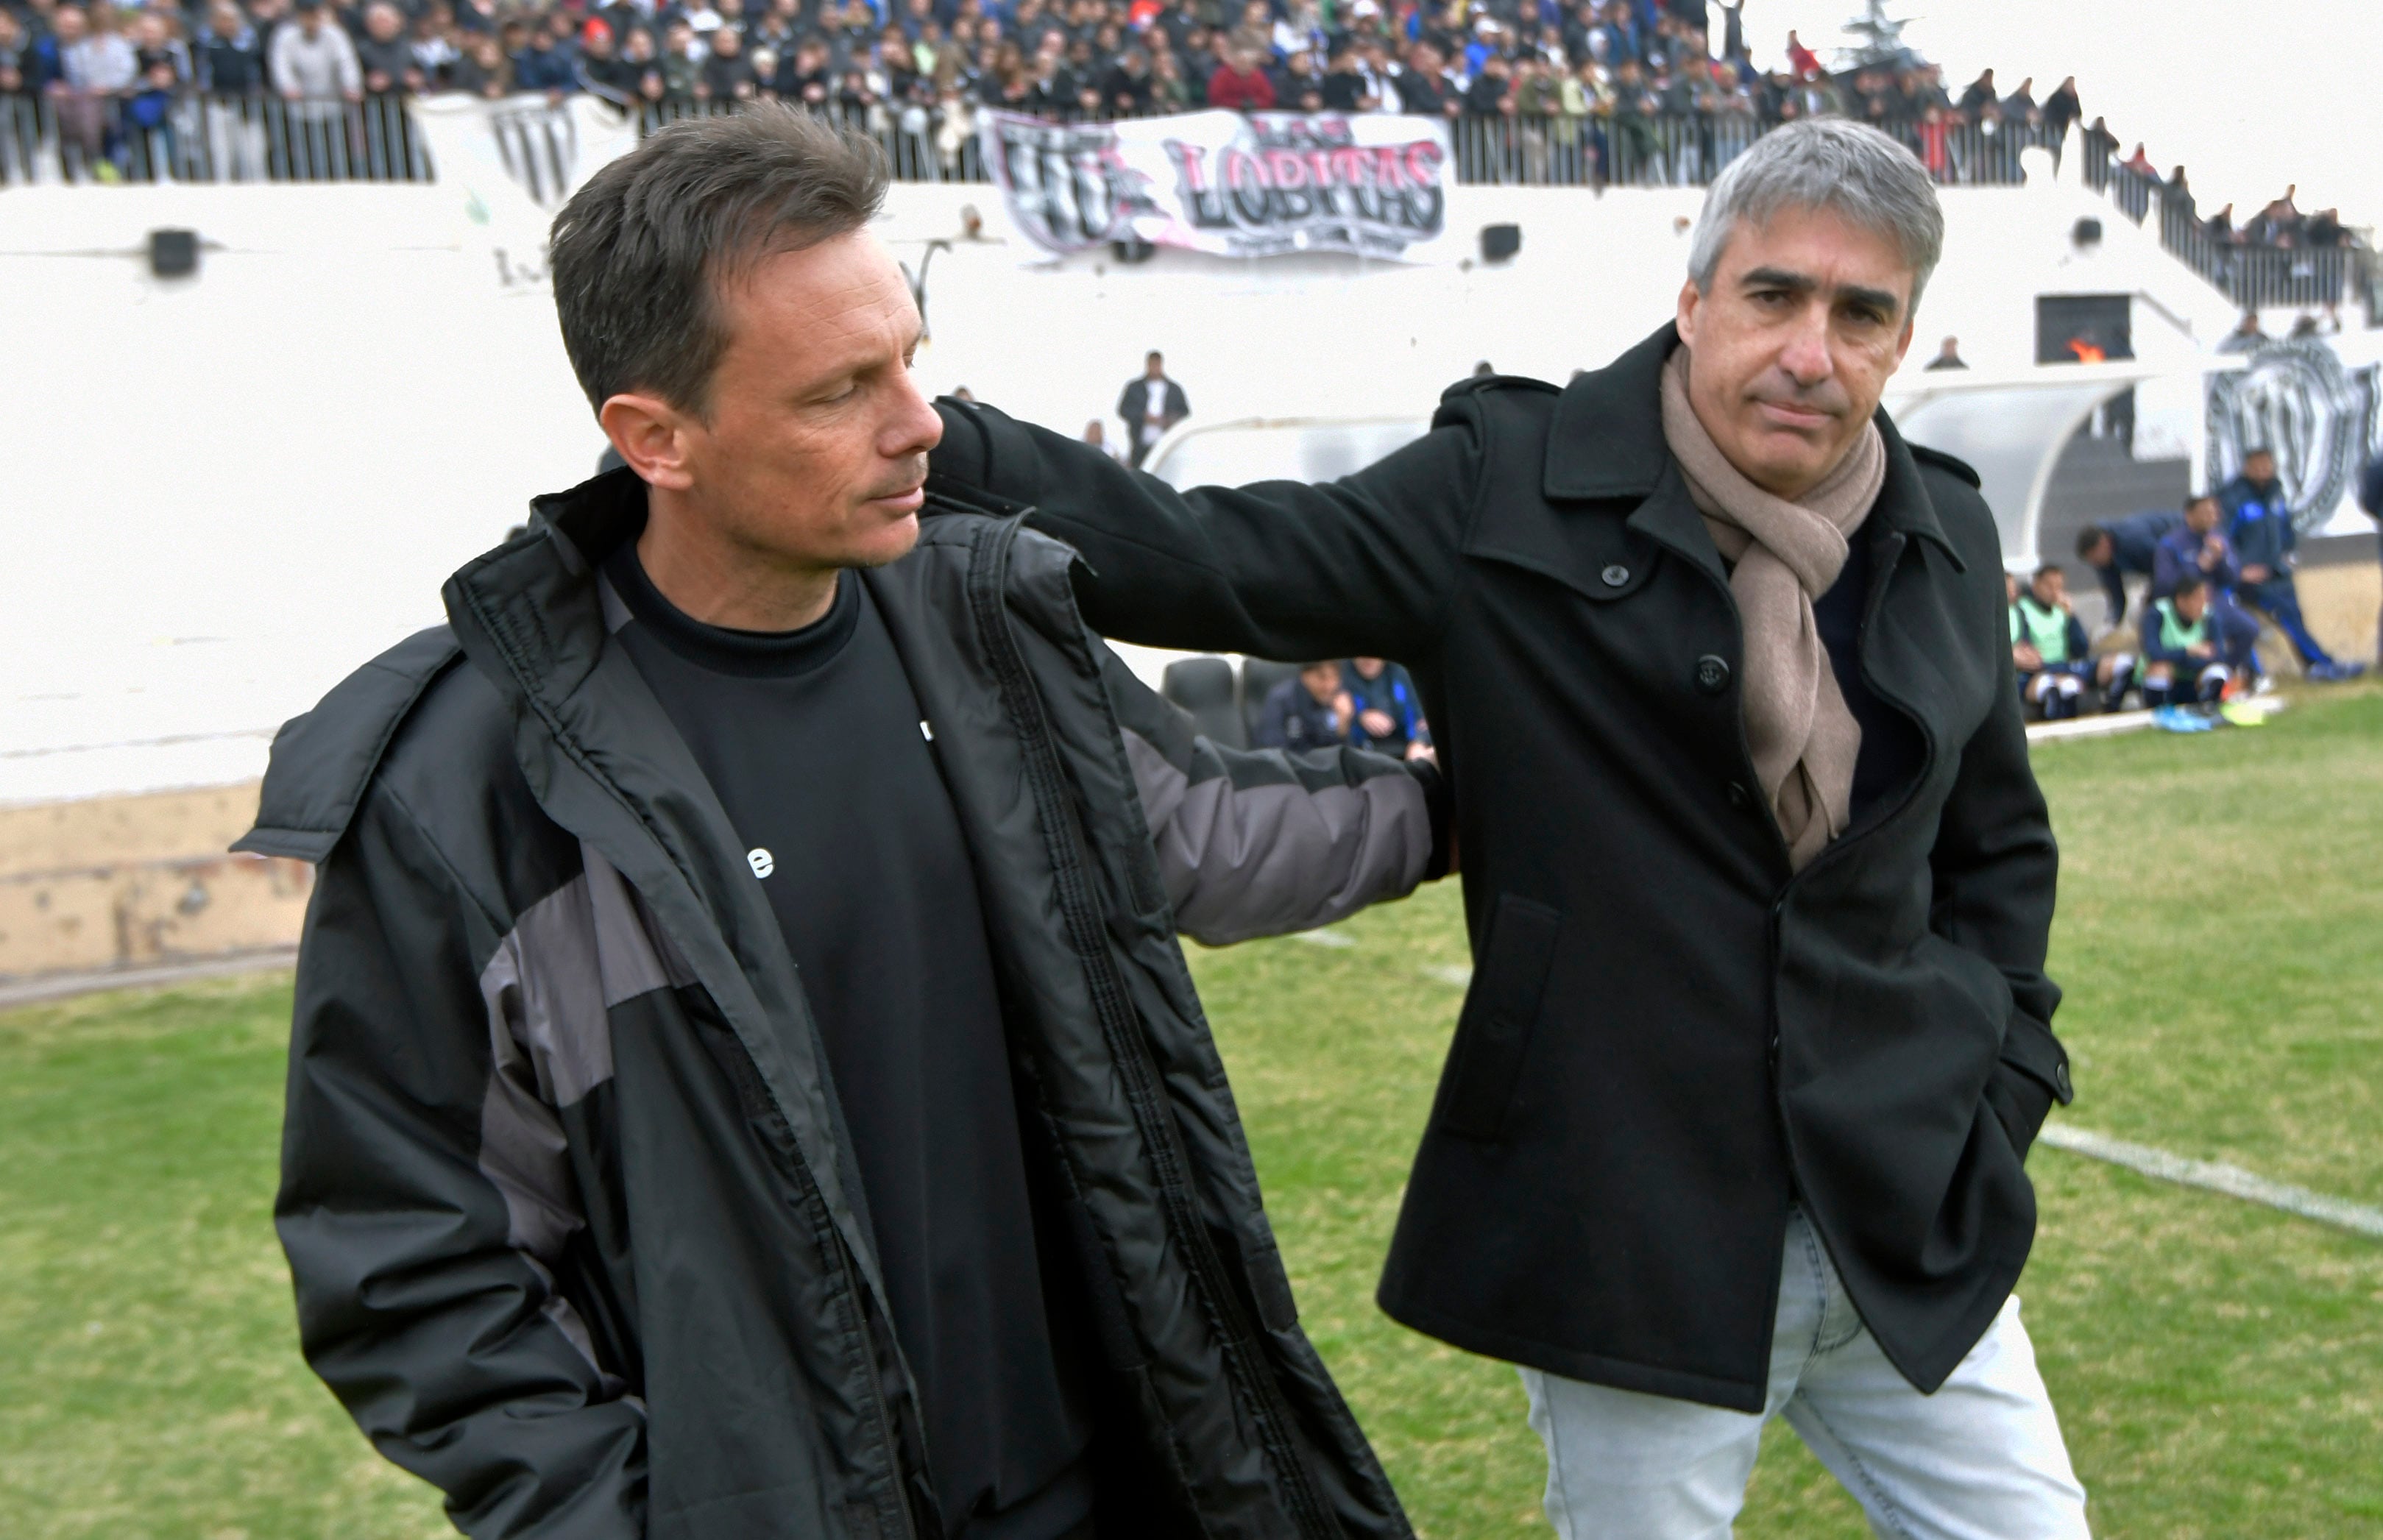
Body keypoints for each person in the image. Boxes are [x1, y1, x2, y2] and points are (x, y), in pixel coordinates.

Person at [241, 108, 1440, 1540]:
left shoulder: (981, 624)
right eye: (840, 389)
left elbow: (1214, 834)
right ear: (655, 437)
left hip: (1115, 1490)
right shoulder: (466, 786)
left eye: (913, 362)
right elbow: (411, 1249)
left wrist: (1504, 786)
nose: (919, 422)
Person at [927, 118, 2086, 1536]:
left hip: (1909, 1217)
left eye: (1861, 314)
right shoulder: (1504, 486)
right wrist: (932, 437)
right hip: (1631, 1232)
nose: (1809, 351)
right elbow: (1216, 565)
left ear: (1901, 340)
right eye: (1775, 295)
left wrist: (1994, 1081)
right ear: (1694, 295)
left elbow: (1996, 853)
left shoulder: (1945, 535)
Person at [2220, 447, 2362, 680]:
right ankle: (2317, 665)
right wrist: (2239, 571)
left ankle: (2320, 664)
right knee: (2284, 612)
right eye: (2258, 466)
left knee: (2294, 615)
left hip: (2276, 573)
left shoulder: (2277, 495)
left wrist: (2286, 557)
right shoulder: (2233, 500)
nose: (2264, 471)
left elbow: (2287, 533)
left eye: (2268, 465)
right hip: (2247, 581)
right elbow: (2222, 539)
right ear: (2247, 468)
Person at [2010, 565, 2131, 718]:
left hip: (2066, 666)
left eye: (2059, 587)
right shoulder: (2022, 611)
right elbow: (2028, 656)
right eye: (2049, 586)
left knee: (2123, 663)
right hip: (2040, 671)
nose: (2055, 592)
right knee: (2062, 686)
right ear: (2036, 585)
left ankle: (2111, 710)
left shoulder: (2062, 610)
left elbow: (2081, 648)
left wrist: (2071, 617)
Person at [2139, 574, 2238, 708]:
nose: (2202, 605)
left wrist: (2190, 662)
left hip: (2194, 678)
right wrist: (2188, 651)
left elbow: (2218, 655)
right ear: (2181, 600)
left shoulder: (2209, 616)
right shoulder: (2157, 613)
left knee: (2218, 671)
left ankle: (2209, 707)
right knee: (2160, 668)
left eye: (2205, 599)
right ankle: (2158, 711)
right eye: (2197, 599)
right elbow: (2153, 653)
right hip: (2167, 678)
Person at [2075, 508, 2185, 628]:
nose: (2095, 564)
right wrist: (2113, 622)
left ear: (2103, 543)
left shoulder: (2133, 541)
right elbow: (2116, 593)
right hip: (2159, 562)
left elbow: (2164, 566)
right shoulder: (2103, 562)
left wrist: (2152, 599)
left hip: (2180, 539)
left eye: (2095, 559)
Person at [1338, 656, 1431, 759]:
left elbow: (1422, 718)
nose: (1368, 659)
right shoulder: (1341, 675)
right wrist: (1358, 716)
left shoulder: (1401, 672)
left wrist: (1419, 742)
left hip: (1403, 748)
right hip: (1359, 751)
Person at [1115, 349, 1188, 470]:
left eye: (1157, 364)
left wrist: (1168, 420)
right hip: (1140, 445)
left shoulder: (1174, 389)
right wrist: (1143, 417)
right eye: (1151, 364)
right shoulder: (1134, 388)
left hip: (1166, 446)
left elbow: (1185, 413)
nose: (1154, 368)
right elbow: (1123, 410)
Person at [1256, 660, 1348, 749]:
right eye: (1322, 677)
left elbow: (1343, 754)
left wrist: (1342, 729)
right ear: (1305, 675)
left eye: (1335, 678)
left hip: (1325, 763)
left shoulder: (1338, 701)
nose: (1329, 686)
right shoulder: (1281, 699)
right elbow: (1271, 748)